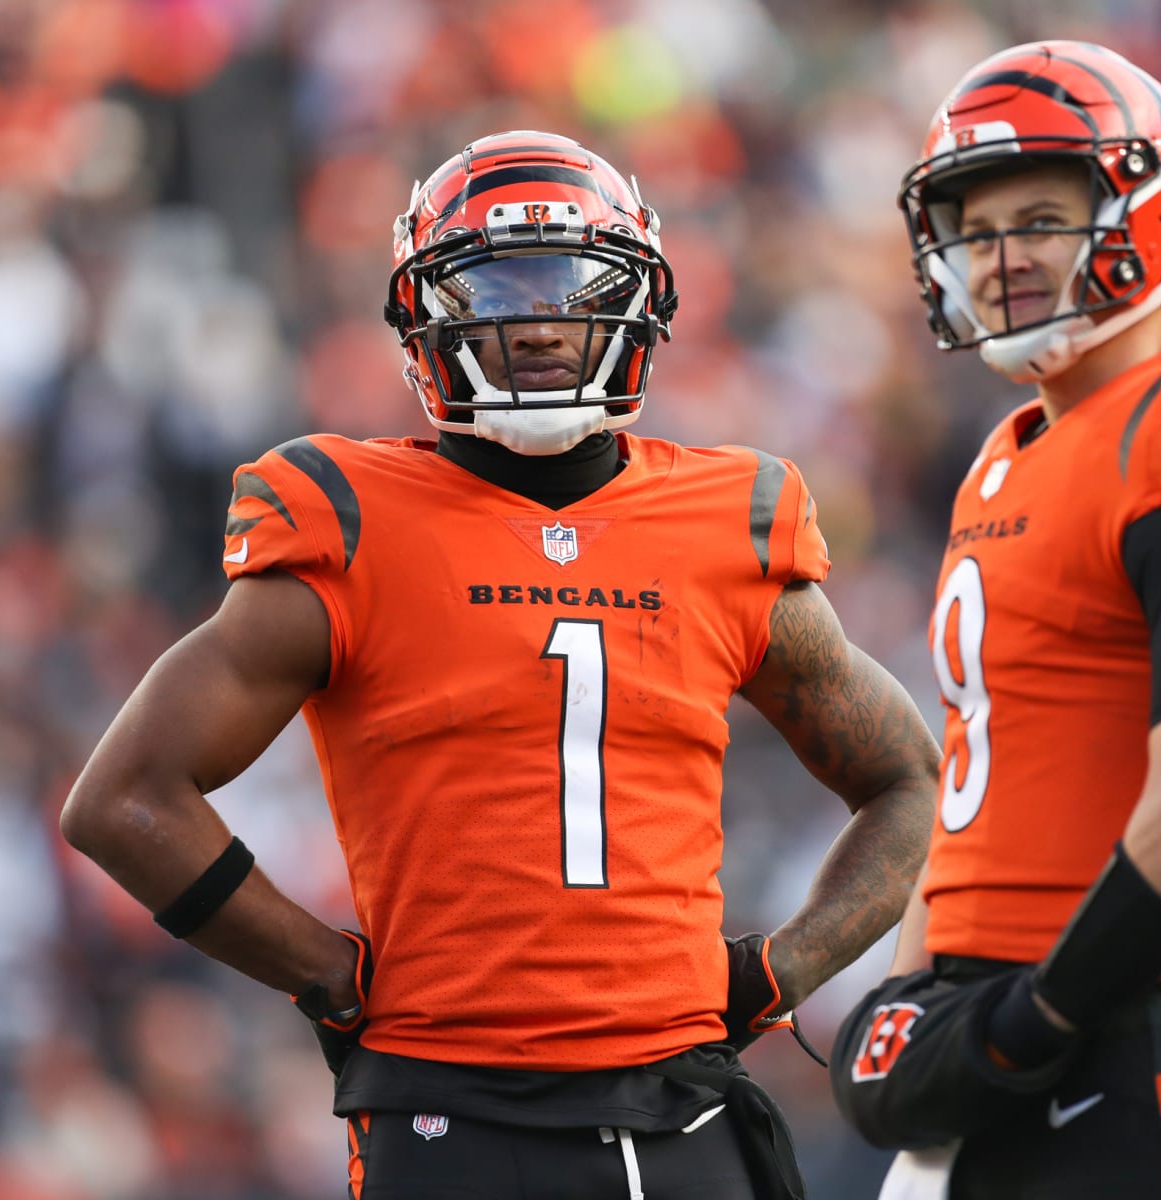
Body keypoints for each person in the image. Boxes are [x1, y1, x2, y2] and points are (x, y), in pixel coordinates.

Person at [61, 130, 941, 1200]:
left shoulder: (729, 521)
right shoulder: (348, 517)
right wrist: (327, 975)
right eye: (496, 286)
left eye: (572, 283)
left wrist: (777, 972)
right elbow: (124, 799)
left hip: (682, 1103)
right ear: (426, 313)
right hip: (452, 1108)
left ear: (638, 303)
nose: (537, 321)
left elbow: (910, 780)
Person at [828, 42, 1161, 1200]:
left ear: (1149, 214)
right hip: (1005, 1053)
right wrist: (918, 995)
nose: (1002, 255)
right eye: (976, 228)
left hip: (1153, 1049)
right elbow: (990, 766)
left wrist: (1033, 1015)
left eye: (1041, 218)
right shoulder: (1000, 461)